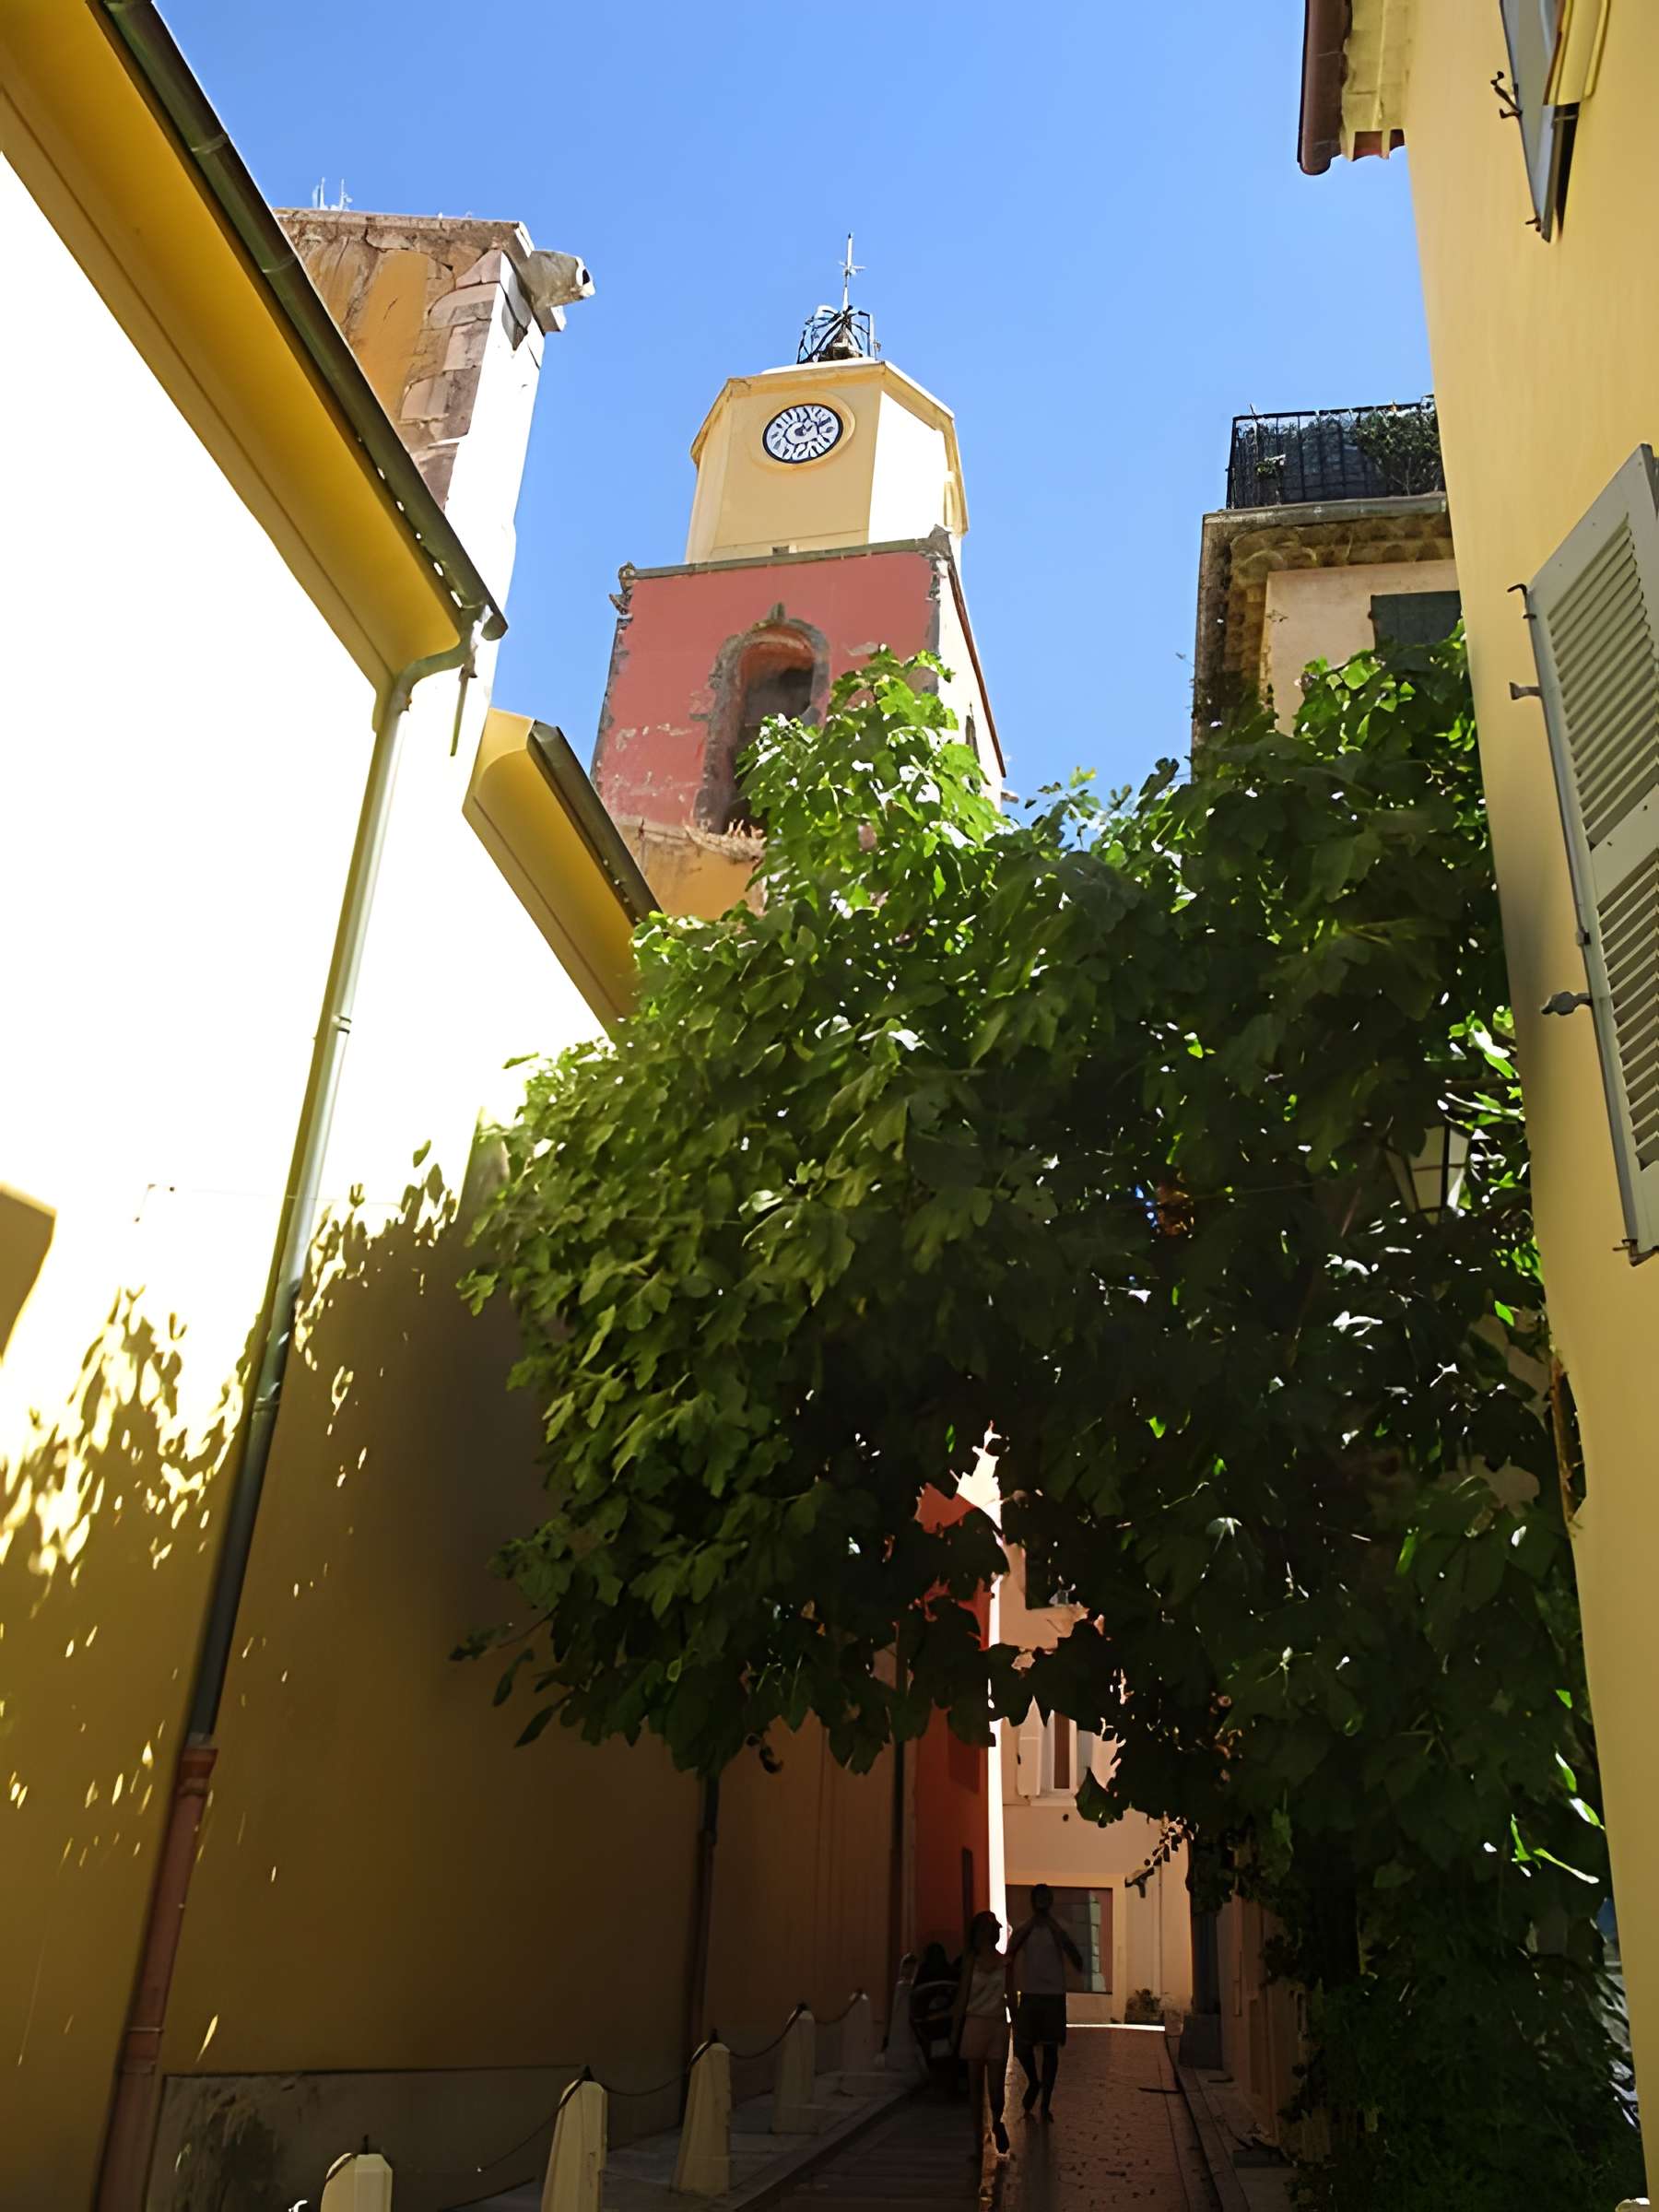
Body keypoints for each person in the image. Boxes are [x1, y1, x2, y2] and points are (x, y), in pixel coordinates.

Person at [1009, 1884, 1083, 2121]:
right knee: (1023, 2047)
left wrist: (1055, 1929)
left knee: (1051, 2050)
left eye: (1045, 1898)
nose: (1042, 1902)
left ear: (1050, 1901)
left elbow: (1076, 1958)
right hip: (1030, 1994)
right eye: (1038, 1898)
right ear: (1033, 1902)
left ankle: (1045, 2104)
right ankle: (1034, 2081)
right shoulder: (1024, 1928)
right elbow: (1011, 1952)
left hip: (1053, 1995)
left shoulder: (1059, 1928)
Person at [950, 1909, 1012, 2161]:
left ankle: (996, 2121)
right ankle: (978, 2144)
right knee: (975, 2090)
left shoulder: (1006, 1963)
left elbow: (1011, 1998)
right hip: (975, 2024)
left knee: (996, 2090)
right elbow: (962, 1997)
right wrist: (956, 2030)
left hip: (997, 2026)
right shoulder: (971, 1962)